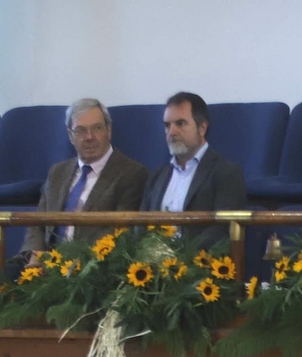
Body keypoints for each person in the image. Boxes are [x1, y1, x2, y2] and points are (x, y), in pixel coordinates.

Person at [19, 98, 148, 263]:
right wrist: (35, 257)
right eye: (80, 130)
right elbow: (38, 223)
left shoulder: (132, 173)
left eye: (97, 128)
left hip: (93, 269)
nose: (89, 137)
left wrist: (75, 264)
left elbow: (121, 234)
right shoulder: (57, 172)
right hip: (48, 268)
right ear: (70, 136)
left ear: (109, 130)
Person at [139, 91, 247, 250]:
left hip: (199, 267)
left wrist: (179, 255)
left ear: (202, 128)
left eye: (180, 123)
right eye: (167, 125)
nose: (172, 132)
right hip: (152, 269)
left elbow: (224, 231)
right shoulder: (156, 177)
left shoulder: (226, 172)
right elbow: (140, 226)